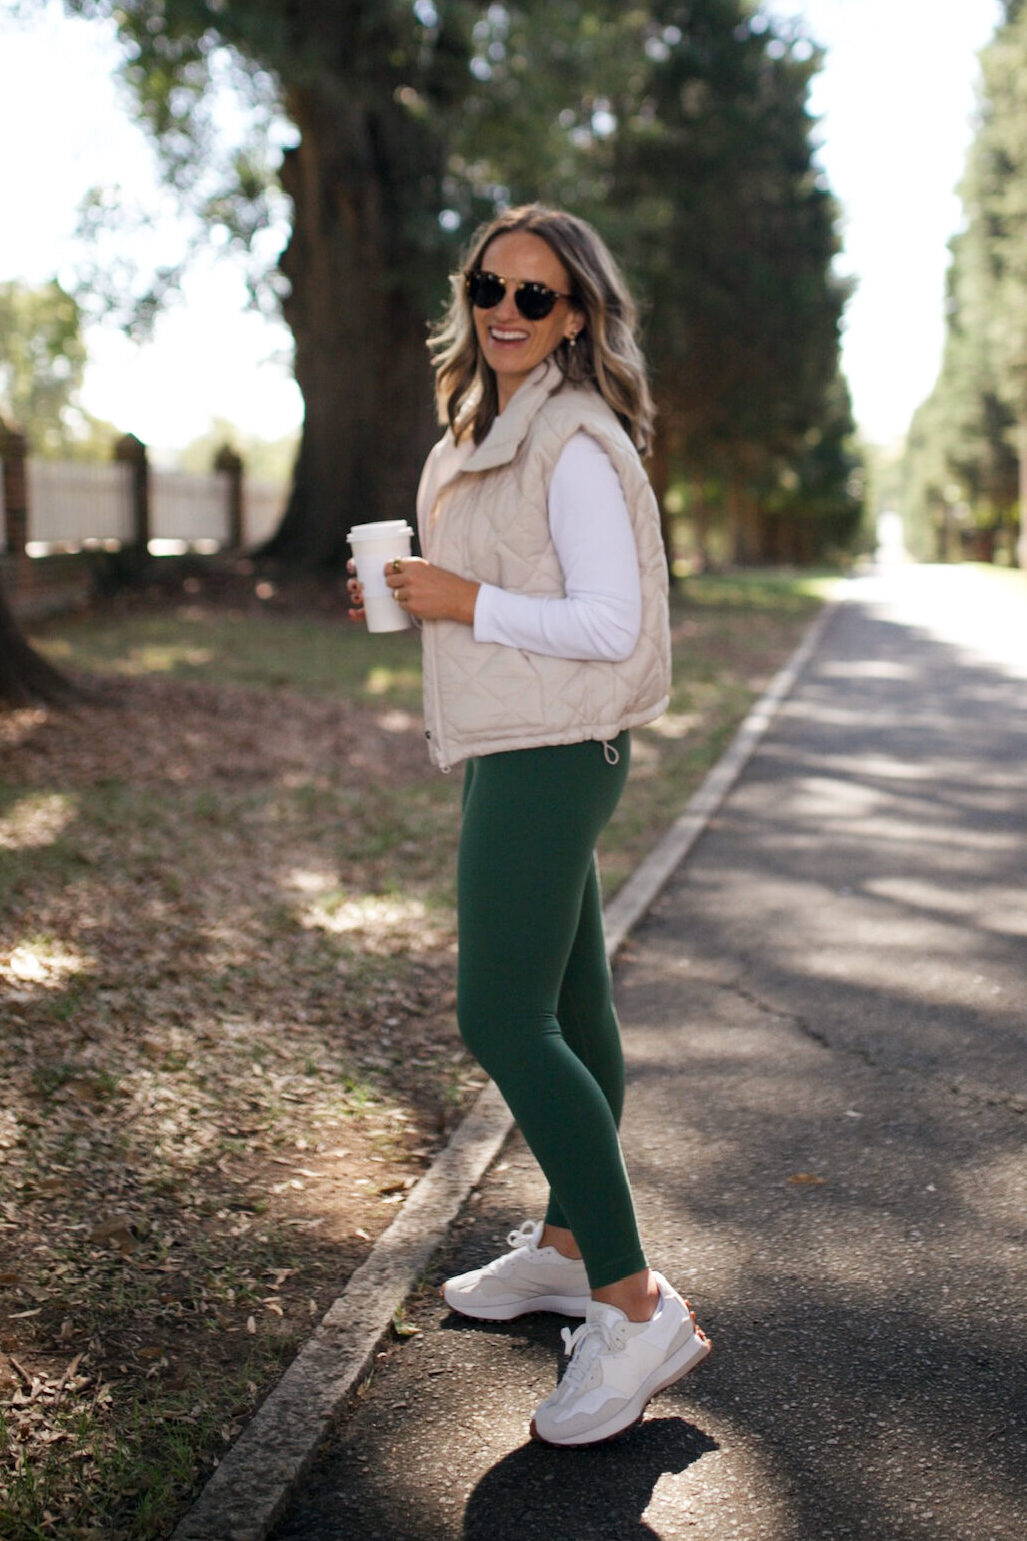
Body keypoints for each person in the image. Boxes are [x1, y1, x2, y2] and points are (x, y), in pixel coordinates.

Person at [347, 204, 711, 1447]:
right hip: (521, 742)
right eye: (490, 286)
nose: (506, 310)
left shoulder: (573, 438)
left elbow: (607, 622)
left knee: (500, 1014)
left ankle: (633, 1299)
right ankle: (565, 1248)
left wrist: (467, 597)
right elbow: (494, 588)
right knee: (575, 1008)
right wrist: (409, 592)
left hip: (555, 750)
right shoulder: (486, 426)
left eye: (537, 297)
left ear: (579, 315)